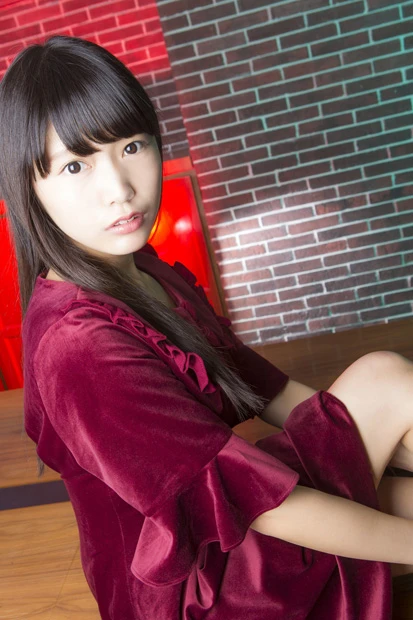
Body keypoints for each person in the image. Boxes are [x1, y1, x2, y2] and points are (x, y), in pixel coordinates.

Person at [1, 34, 412, 620]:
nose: (120, 189)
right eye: (75, 165)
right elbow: (263, 508)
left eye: (132, 146)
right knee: (384, 380)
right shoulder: (77, 345)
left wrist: (392, 443)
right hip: (198, 586)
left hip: (240, 521)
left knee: (399, 471)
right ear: (28, 188)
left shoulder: (144, 272)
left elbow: (260, 385)